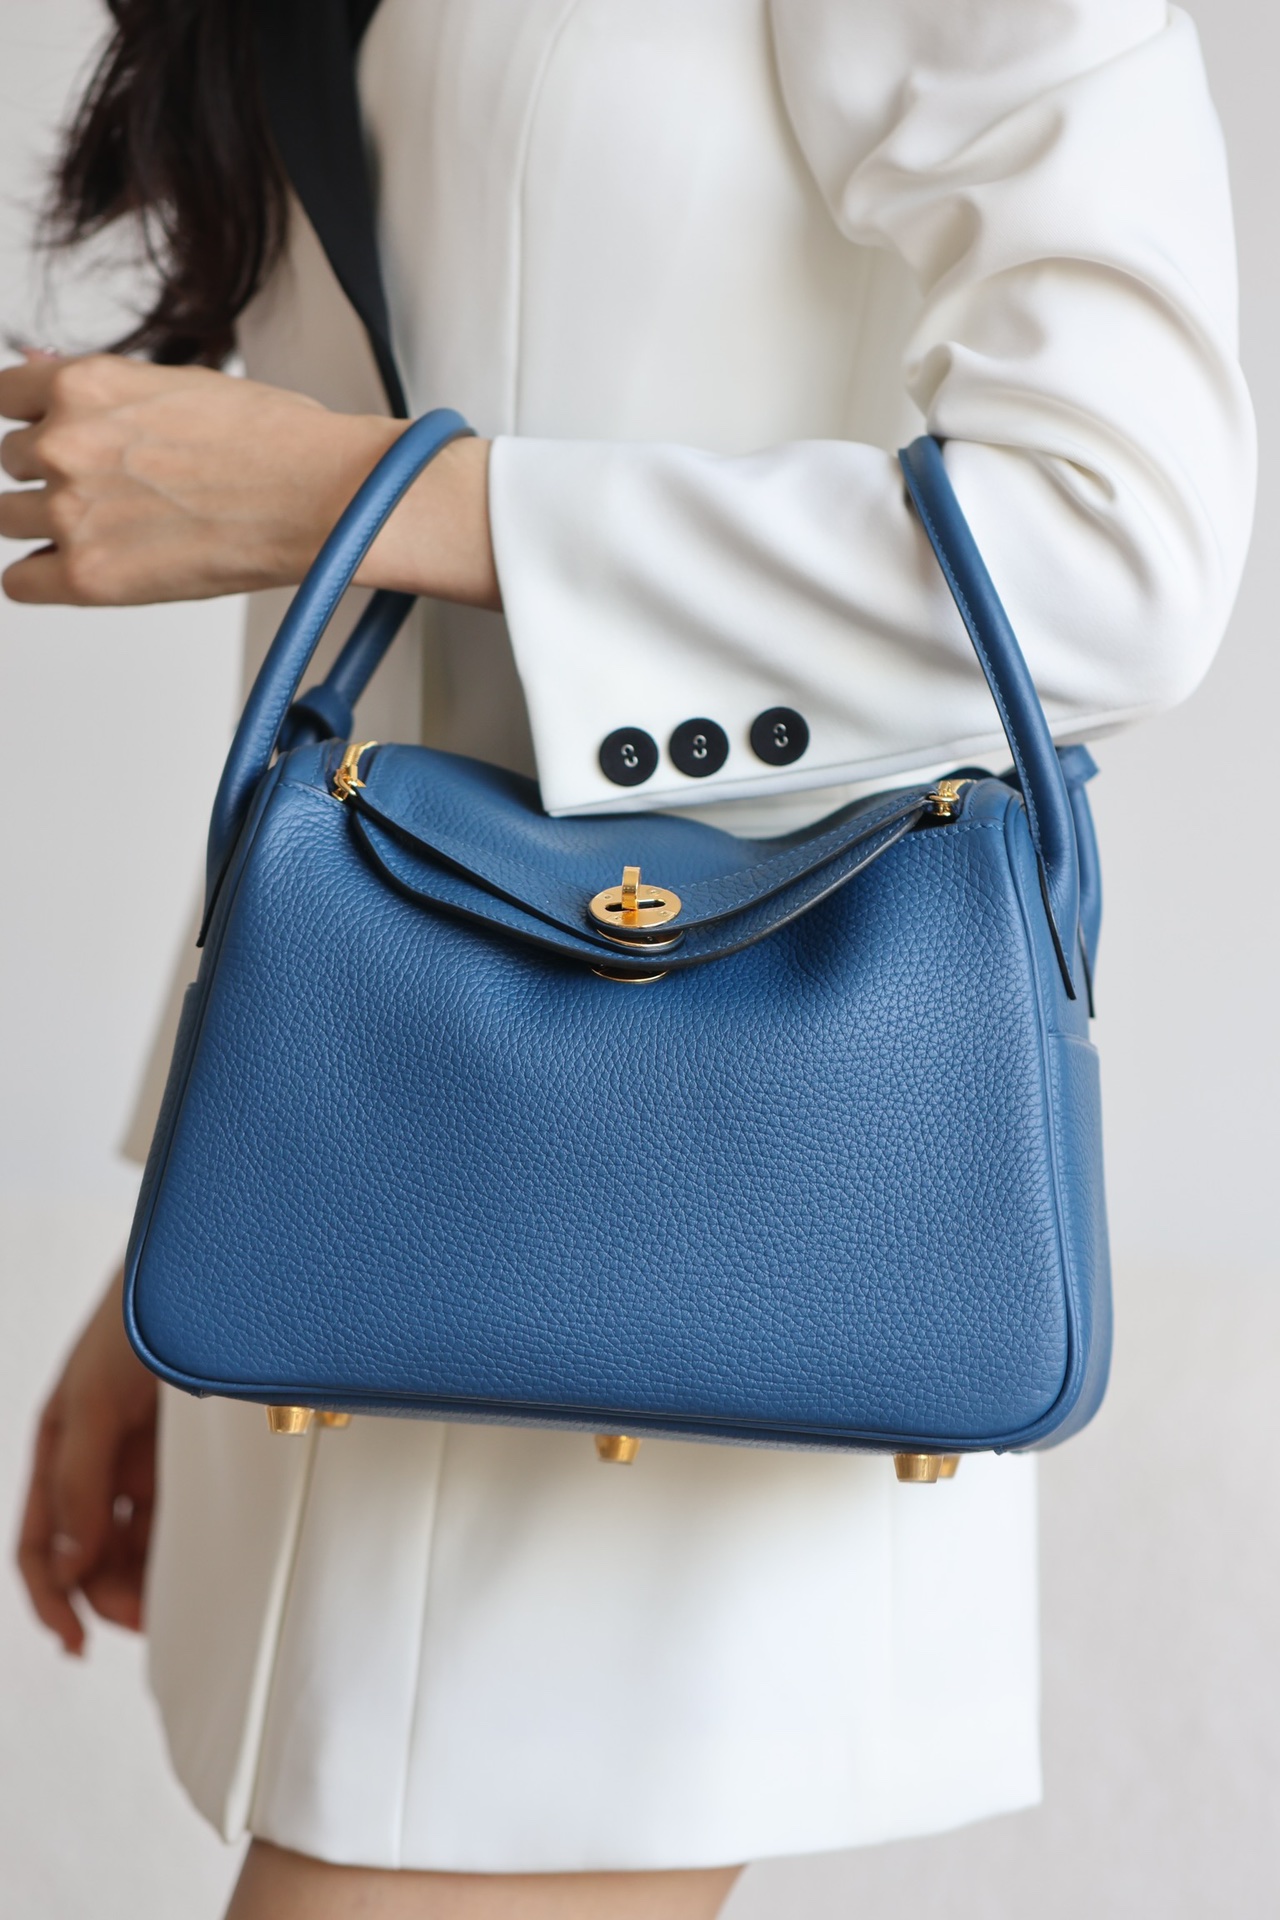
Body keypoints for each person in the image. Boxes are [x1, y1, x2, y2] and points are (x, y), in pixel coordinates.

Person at [4, 3, 1254, 1917]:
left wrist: (366, 498)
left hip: (704, 1248)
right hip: (367, 1202)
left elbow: (1118, 550)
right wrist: (184, 1205)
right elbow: (355, 717)